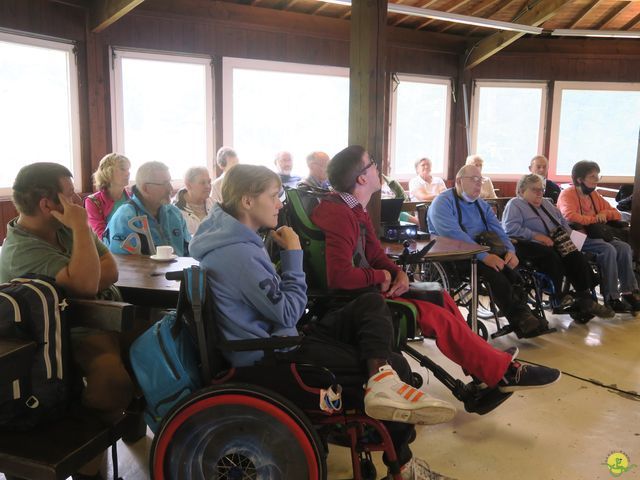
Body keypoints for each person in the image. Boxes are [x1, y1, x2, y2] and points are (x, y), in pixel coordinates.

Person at [189, 164, 457, 480]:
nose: (280, 203)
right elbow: (288, 311)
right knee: (396, 365)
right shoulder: (236, 253)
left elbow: (282, 309)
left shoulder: (235, 240)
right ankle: (403, 464)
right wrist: (293, 253)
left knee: (369, 302)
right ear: (248, 201)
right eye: (274, 196)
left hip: (282, 337)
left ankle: (379, 379)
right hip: (270, 354)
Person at [310, 146, 560, 392]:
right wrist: (383, 275)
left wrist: (398, 273)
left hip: (368, 288)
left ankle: (484, 365)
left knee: (441, 296)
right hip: (355, 300)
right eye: (372, 163)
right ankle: (502, 372)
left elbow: (374, 253)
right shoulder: (339, 214)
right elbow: (339, 276)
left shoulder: (353, 209)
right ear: (362, 178)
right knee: (436, 315)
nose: (378, 167)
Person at [0, 163, 133, 480]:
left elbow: (109, 269)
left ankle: (96, 448)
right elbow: (88, 283)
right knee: (114, 381)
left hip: (96, 318)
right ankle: (88, 460)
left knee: (160, 346)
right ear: (48, 205)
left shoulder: (65, 228)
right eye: (70, 194)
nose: (76, 201)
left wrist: (82, 253)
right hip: (53, 336)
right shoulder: (21, 249)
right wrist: (80, 231)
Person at [428, 164, 547, 337]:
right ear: (460, 181)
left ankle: (525, 313)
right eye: (474, 179)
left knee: (512, 269)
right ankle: (520, 318)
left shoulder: (481, 204)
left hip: (483, 248)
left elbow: (497, 228)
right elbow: (453, 235)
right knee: (493, 272)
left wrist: (510, 250)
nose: (479, 184)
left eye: (481, 180)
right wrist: (484, 256)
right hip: (454, 254)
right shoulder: (442, 203)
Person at [502, 174, 614, 320]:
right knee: (551, 255)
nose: (539, 193)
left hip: (555, 241)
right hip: (527, 244)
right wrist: (536, 236)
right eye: (534, 190)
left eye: (541, 190)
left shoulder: (546, 203)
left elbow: (562, 223)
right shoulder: (515, 204)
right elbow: (509, 229)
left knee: (575, 255)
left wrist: (572, 239)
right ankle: (558, 297)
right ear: (522, 191)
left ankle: (585, 298)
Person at [557, 161, 640, 313]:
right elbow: (570, 216)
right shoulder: (567, 194)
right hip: (576, 237)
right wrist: (595, 218)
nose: (596, 180)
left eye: (597, 176)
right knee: (608, 249)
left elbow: (615, 212)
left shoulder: (593, 195)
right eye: (592, 176)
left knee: (624, 247)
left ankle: (628, 292)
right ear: (580, 179)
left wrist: (603, 213)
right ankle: (611, 297)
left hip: (595, 235)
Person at [105, 161, 190, 256]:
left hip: (179, 269)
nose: (170, 188)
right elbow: (122, 262)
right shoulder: (125, 217)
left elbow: (189, 251)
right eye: (165, 183)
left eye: (170, 181)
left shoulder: (174, 213)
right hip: (143, 271)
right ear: (146, 188)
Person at [84, 153, 131, 240]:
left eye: (128, 169)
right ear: (108, 172)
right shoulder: (93, 201)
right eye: (123, 169)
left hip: (136, 248)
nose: (128, 173)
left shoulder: (133, 197)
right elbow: (101, 236)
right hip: (109, 250)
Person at [173, 166, 213, 235]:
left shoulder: (215, 204)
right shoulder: (175, 211)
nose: (208, 186)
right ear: (188, 185)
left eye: (209, 182)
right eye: (202, 183)